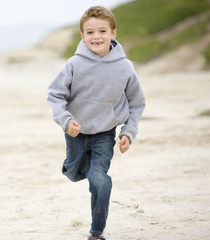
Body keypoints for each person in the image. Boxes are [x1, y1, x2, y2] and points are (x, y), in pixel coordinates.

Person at [47, 6, 146, 240]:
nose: (96, 36)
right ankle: (79, 168)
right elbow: (54, 95)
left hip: (105, 134)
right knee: (72, 174)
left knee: (99, 180)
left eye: (102, 30)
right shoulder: (74, 64)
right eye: (90, 32)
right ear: (82, 36)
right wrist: (66, 120)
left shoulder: (125, 67)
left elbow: (137, 103)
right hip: (76, 132)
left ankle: (96, 233)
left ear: (113, 33)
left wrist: (128, 132)